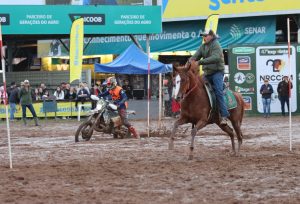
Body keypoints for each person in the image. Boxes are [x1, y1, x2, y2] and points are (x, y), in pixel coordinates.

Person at [190, 29, 229, 125]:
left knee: (218, 92)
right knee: (197, 89)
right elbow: (195, 56)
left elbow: (215, 58)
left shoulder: (216, 45)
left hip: (217, 73)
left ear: (211, 36)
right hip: (207, 74)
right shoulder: (203, 46)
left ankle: (224, 115)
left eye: (206, 35)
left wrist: (199, 62)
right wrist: (190, 61)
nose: (204, 37)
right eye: (203, 36)